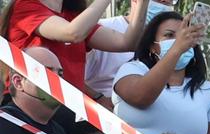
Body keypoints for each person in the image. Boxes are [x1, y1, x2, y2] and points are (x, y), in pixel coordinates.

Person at [109, 10, 210, 134]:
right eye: (169, 35)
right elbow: (141, 97)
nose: (180, 40)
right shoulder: (132, 70)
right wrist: (177, 49)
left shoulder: (208, 91)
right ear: (153, 46)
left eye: (185, 36)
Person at [5, 0, 144, 98]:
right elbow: (72, 33)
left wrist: (142, 4)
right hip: (29, 105)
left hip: (68, 108)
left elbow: (127, 43)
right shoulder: (25, 6)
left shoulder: (73, 15)